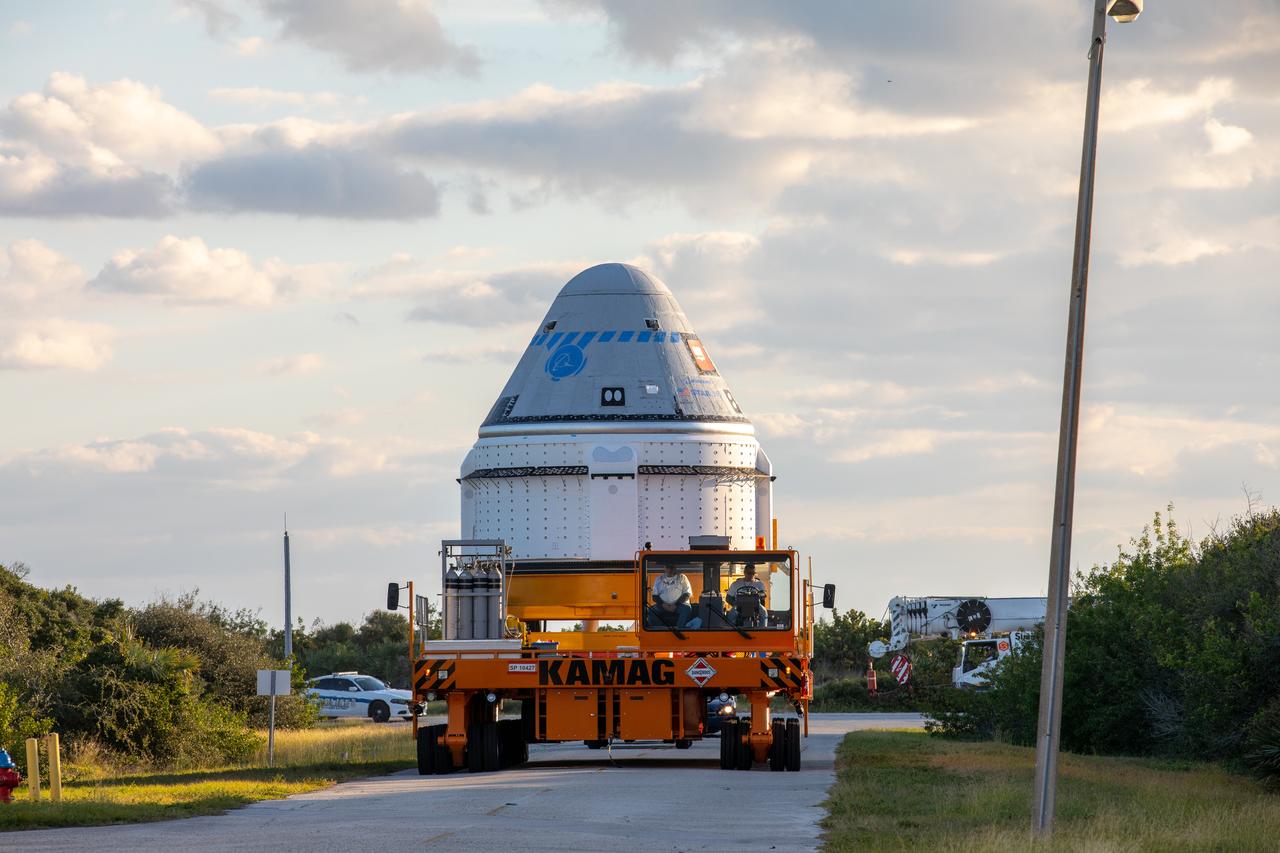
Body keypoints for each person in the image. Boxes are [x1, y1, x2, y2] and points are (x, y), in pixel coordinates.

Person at [650, 563, 693, 629]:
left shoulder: (682, 577)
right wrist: (663, 604)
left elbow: (687, 594)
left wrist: (676, 605)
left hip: (679, 605)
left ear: (675, 567)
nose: (670, 569)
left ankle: (680, 629)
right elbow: (655, 596)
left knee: (686, 609)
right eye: (668, 567)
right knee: (652, 610)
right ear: (664, 568)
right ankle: (659, 631)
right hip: (663, 605)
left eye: (672, 567)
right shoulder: (659, 579)